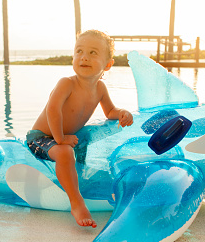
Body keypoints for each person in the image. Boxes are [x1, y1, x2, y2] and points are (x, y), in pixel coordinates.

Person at [26, 30, 134, 228]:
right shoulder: (66, 83)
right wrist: (60, 139)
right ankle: (76, 202)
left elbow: (110, 110)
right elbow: (52, 109)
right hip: (42, 136)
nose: (84, 57)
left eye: (93, 53)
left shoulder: (100, 88)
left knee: (77, 150)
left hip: (66, 137)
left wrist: (121, 113)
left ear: (108, 64)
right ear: (73, 57)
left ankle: (78, 179)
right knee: (65, 151)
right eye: (79, 51)